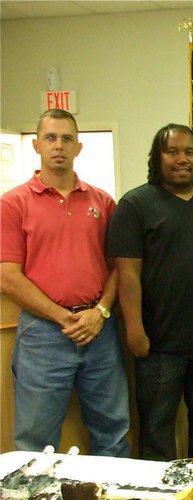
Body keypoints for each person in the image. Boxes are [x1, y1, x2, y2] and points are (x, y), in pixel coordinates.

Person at [0, 109, 130, 456]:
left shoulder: (102, 202)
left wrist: (100, 312)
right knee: (34, 442)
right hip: (43, 336)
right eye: (51, 138)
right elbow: (8, 277)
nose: (59, 145)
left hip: (99, 332)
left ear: (79, 147)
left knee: (113, 434)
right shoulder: (13, 204)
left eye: (67, 139)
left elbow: (120, 267)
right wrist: (62, 317)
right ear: (37, 145)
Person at [108, 123, 193, 461]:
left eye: (188, 152)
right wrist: (135, 329)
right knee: (156, 430)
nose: (181, 158)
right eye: (172, 151)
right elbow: (128, 273)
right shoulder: (135, 205)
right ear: (158, 157)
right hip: (158, 345)